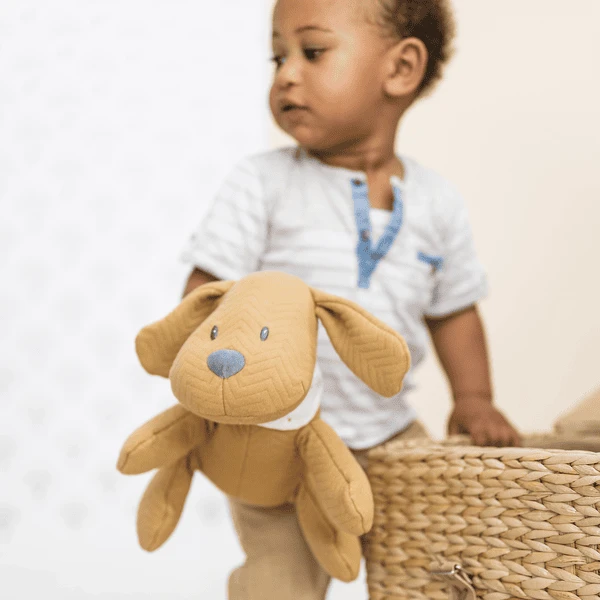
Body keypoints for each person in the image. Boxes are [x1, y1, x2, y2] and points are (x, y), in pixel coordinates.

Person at [180, 0, 521, 597]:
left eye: (312, 52)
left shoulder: (437, 203)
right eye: (278, 57)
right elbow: (206, 295)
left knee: (434, 568)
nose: (286, 74)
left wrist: (474, 398)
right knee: (277, 582)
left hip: (390, 437)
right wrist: (212, 381)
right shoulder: (262, 184)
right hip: (277, 443)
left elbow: (454, 310)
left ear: (400, 69)